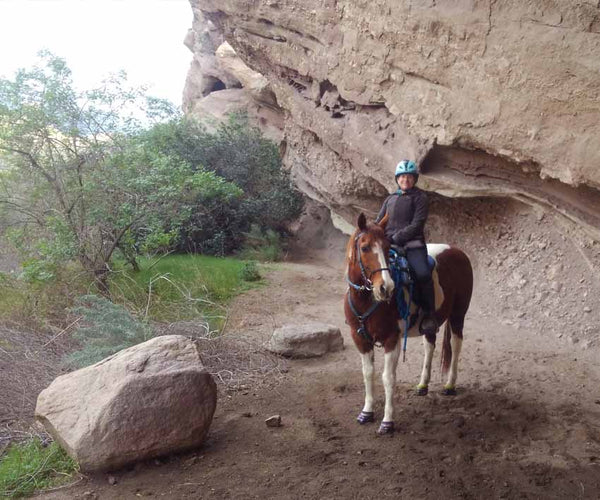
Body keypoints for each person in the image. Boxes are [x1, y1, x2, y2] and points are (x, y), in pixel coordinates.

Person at [375, 159, 438, 336]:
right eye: (402, 177)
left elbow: (417, 224)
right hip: (390, 245)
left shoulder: (421, 198)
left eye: (409, 177)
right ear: (397, 179)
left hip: (413, 245)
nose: (405, 180)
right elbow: (379, 222)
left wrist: (395, 237)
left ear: (414, 179)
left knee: (423, 274)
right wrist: (373, 232)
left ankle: (429, 315)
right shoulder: (390, 199)